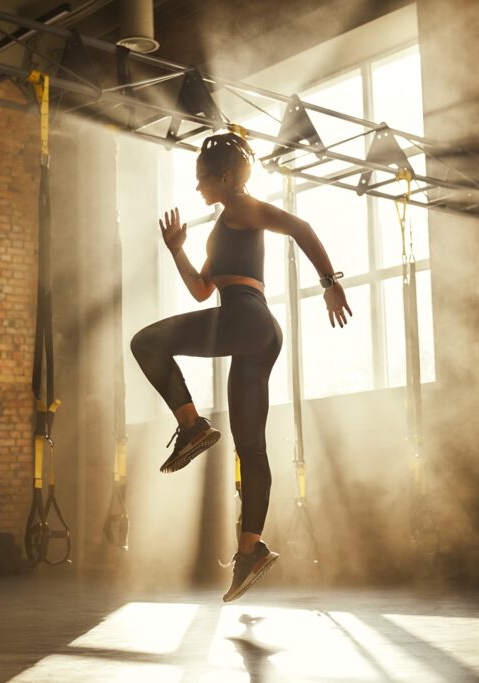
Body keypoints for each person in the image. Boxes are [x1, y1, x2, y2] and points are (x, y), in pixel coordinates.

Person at [130, 132, 351, 602]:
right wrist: (175, 249)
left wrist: (329, 282)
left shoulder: (243, 208)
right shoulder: (220, 227)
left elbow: (301, 227)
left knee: (146, 342)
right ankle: (250, 550)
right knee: (250, 447)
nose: (197, 188)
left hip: (247, 318)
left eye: (202, 178)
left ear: (226, 177)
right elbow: (199, 289)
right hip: (256, 332)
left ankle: (191, 428)